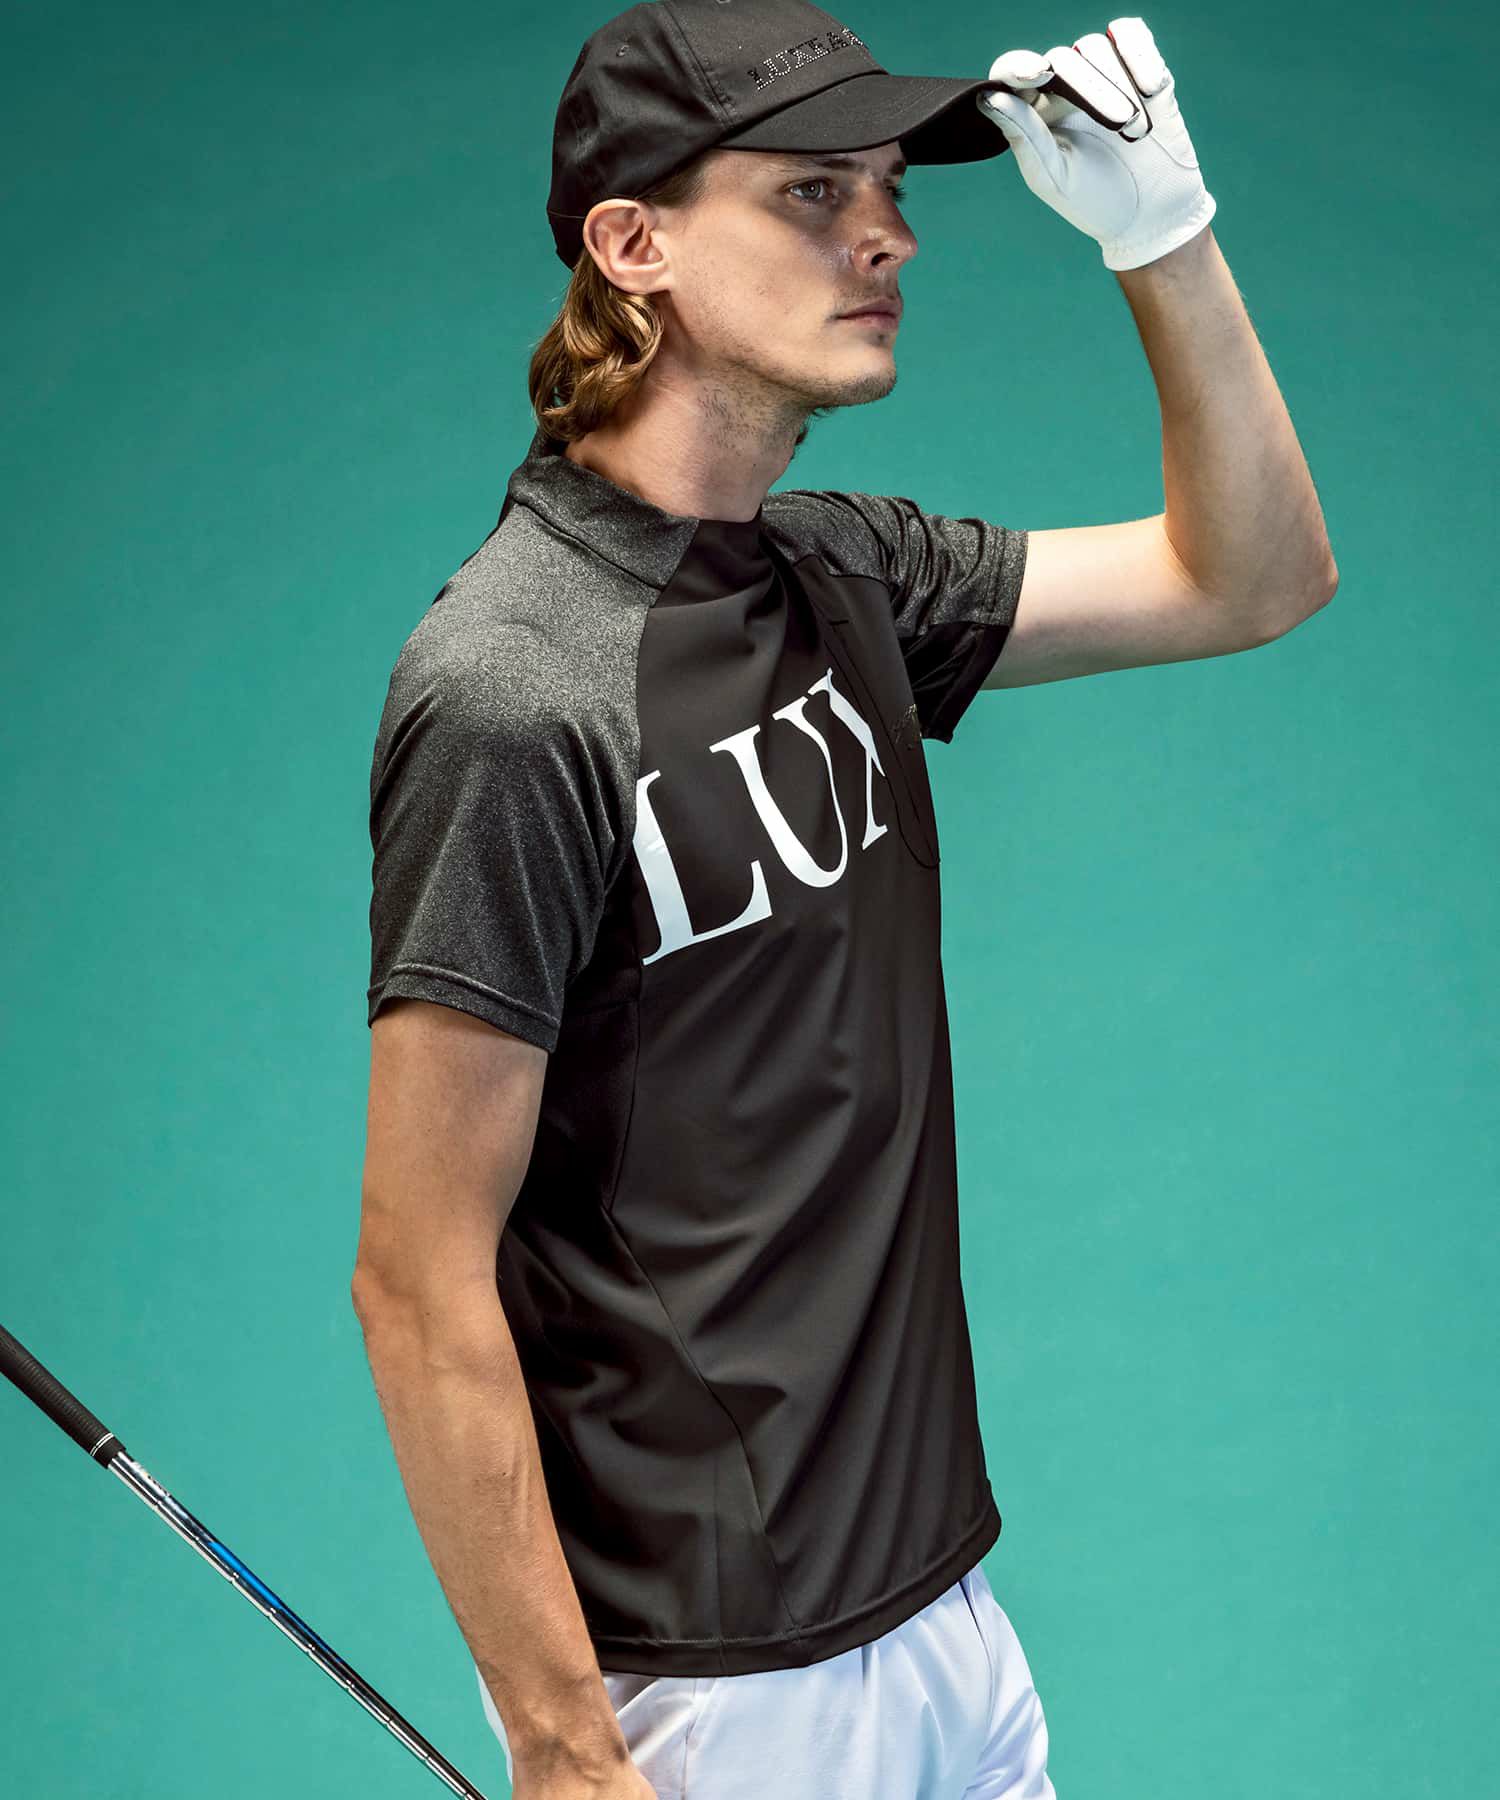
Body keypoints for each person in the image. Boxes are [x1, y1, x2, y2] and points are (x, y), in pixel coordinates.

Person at [353, 3, 1338, 1796]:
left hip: (943, 1608)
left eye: (889, 188)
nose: (887, 237)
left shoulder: (842, 571)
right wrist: (566, 1752)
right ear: (633, 245)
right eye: (813, 191)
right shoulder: (516, 684)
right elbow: (418, 1276)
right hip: (727, 1683)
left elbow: (1251, 576)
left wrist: (1164, 234)